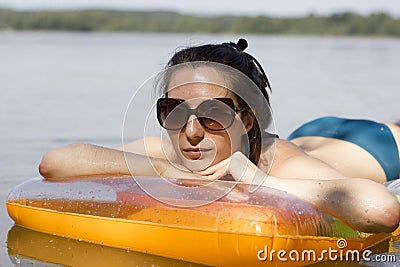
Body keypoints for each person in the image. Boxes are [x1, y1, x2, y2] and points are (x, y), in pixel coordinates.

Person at [39, 39, 400, 233]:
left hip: (375, 145)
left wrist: (259, 181)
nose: (191, 131)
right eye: (174, 110)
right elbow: (55, 164)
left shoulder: (278, 162)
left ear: (245, 119)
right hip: (313, 135)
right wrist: (165, 171)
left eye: (213, 112)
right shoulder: (168, 151)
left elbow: (381, 209)